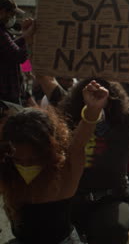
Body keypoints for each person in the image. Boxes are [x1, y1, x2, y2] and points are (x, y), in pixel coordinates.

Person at [35, 73, 129, 243]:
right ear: (79, 98)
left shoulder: (126, 119)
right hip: (72, 199)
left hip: (112, 199)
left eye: (101, 94)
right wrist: (28, 53)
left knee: (112, 229)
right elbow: (42, 75)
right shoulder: (68, 114)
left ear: (112, 98)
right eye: (90, 93)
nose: (96, 98)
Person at [0, 81, 107, 243]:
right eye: (18, 160)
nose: (25, 165)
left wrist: (93, 109)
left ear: (49, 152)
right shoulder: (8, 170)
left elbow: (78, 144)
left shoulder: (65, 172)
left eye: (33, 160)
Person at [0, 0, 35, 105]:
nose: (13, 18)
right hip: (5, 95)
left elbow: (12, 47)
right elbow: (18, 56)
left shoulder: (4, 32)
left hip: (17, 90)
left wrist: (25, 35)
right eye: (12, 14)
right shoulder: (1, 33)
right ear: (2, 12)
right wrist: (28, 39)